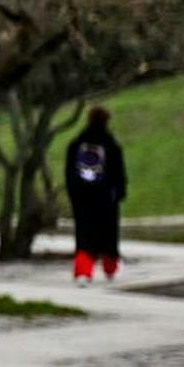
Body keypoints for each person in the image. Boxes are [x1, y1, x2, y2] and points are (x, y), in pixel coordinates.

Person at [65, 106, 128, 283]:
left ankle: (83, 271)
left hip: (83, 198)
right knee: (108, 235)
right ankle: (110, 268)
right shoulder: (111, 145)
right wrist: (120, 193)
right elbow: (119, 173)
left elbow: (69, 173)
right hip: (106, 198)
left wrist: (73, 194)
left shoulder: (76, 144)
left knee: (84, 235)